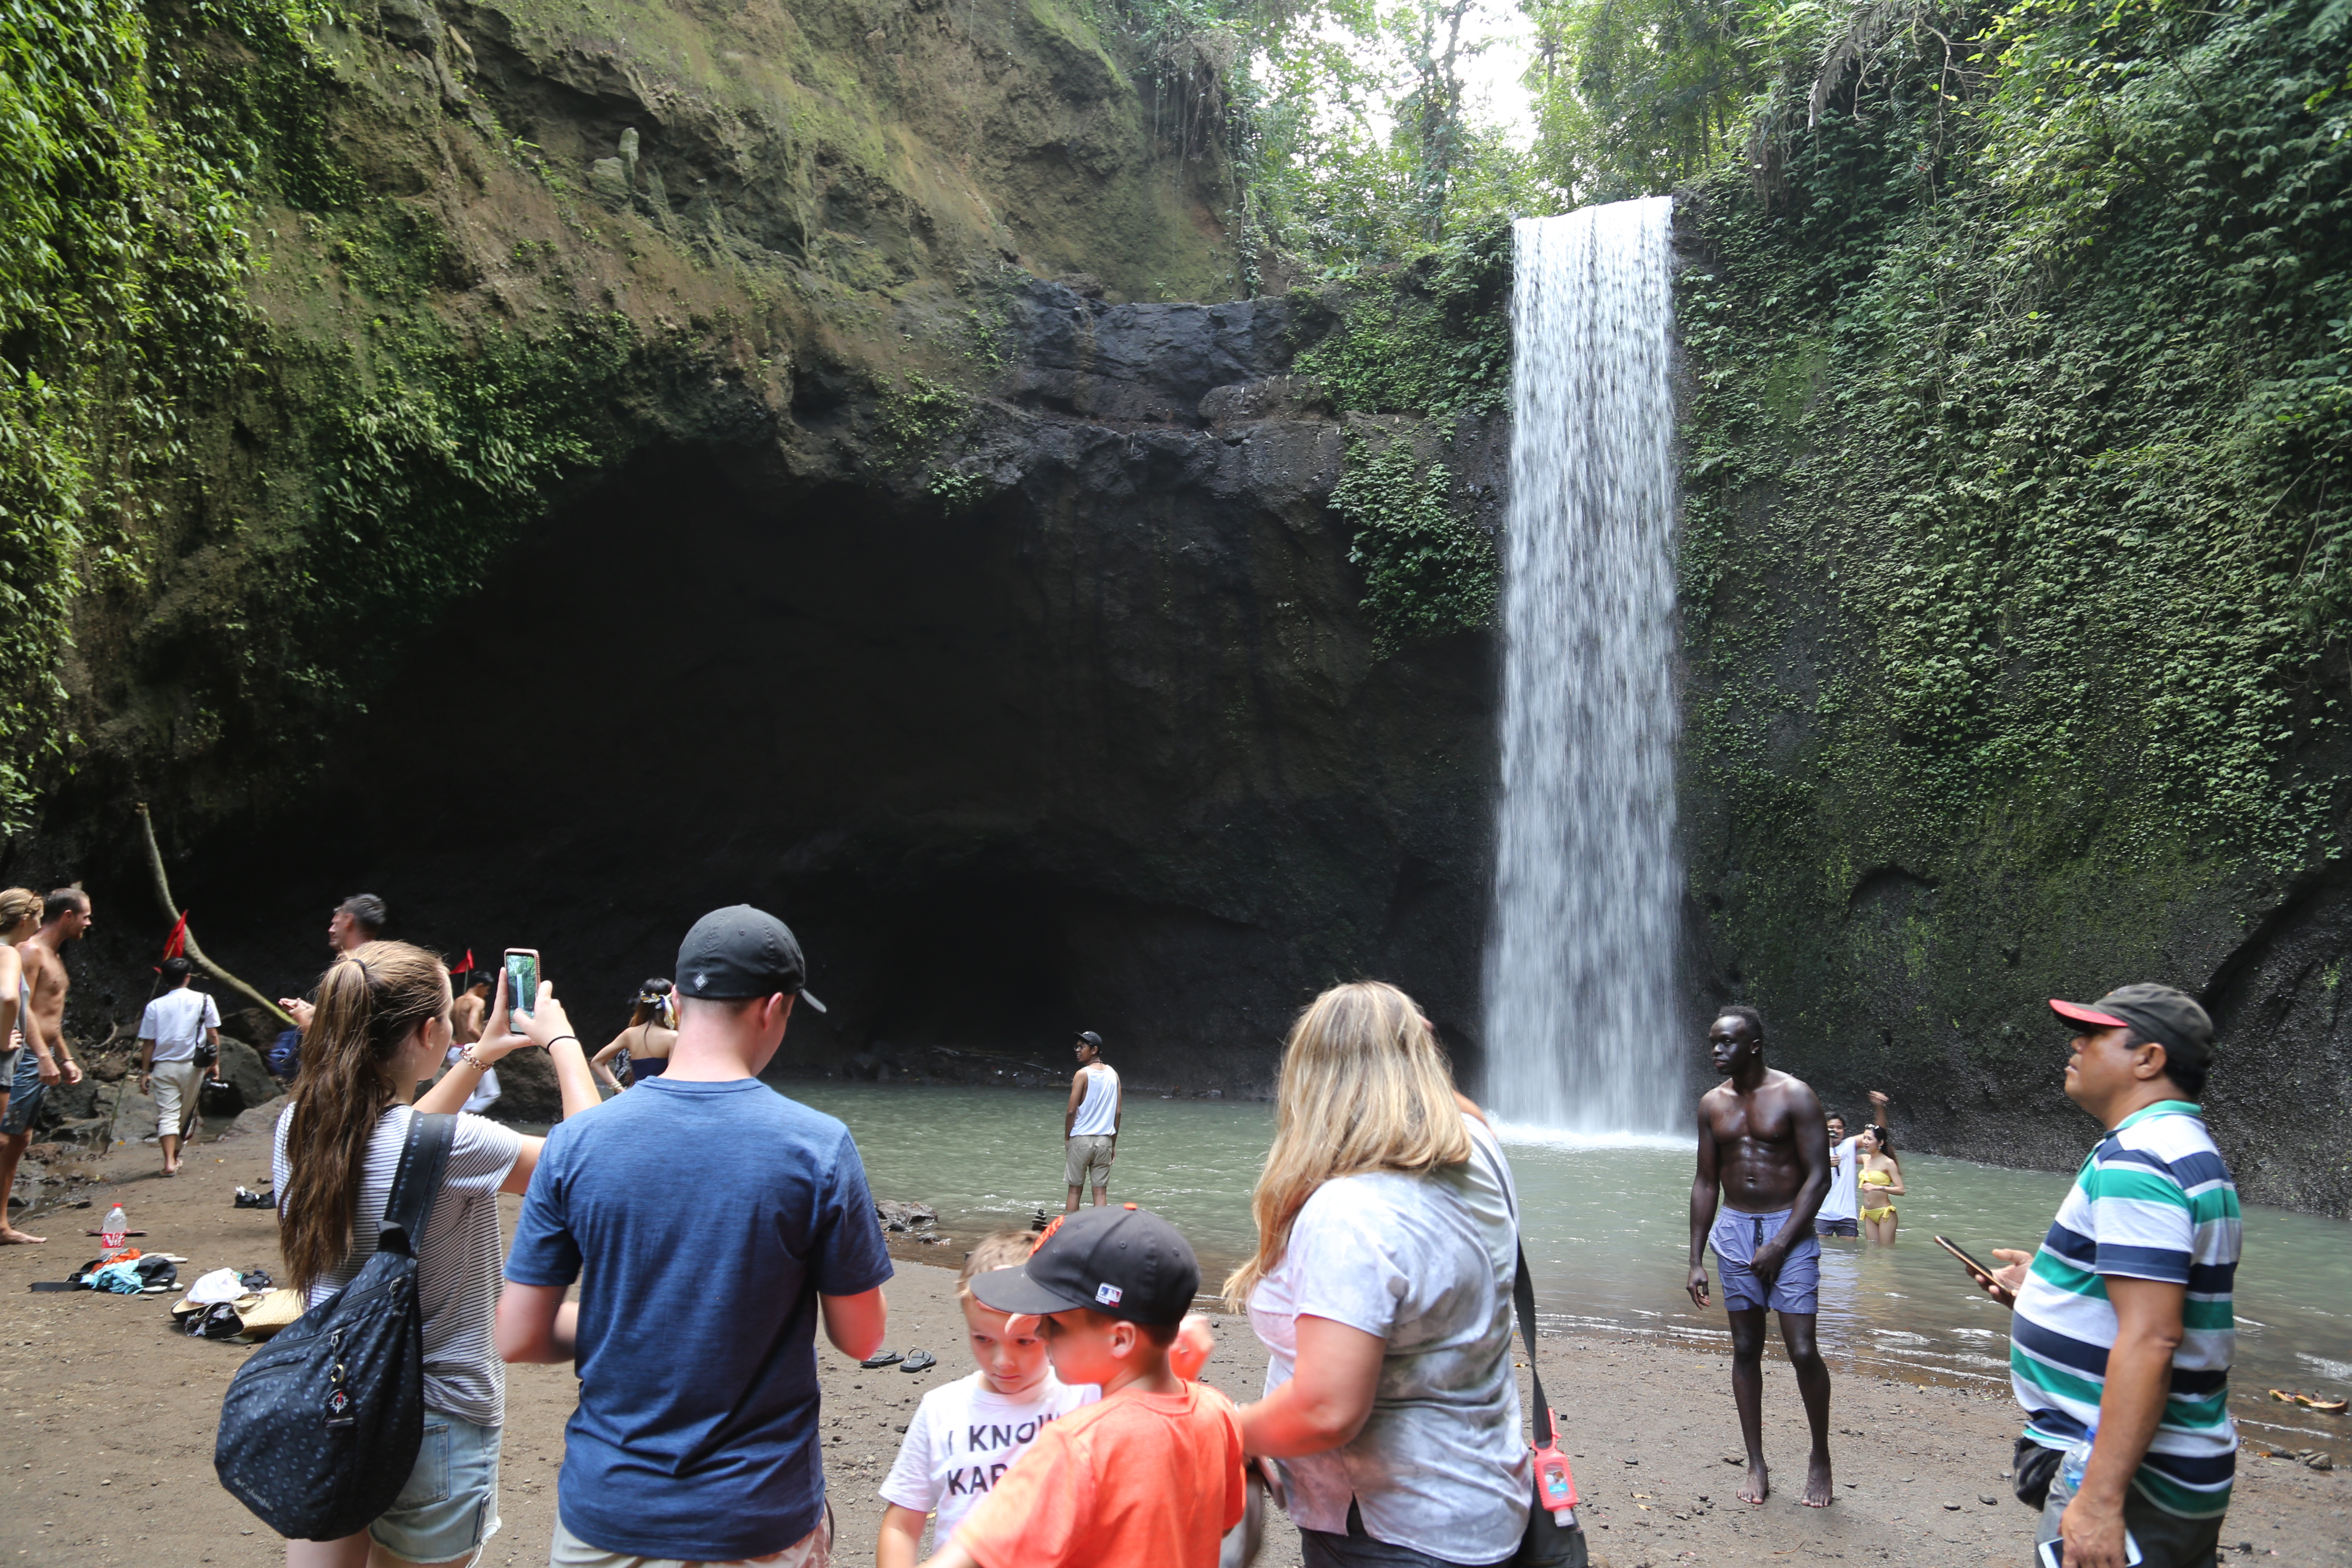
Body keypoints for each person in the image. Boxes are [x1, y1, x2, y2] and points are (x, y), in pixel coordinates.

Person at [497, 906, 891, 1568]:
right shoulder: (818, 1148)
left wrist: (635, 1320)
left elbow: (519, 1336)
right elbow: (863, 1338)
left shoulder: (574, 1145)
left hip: (608, 1514)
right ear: (775, 1009)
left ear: (677, 1002)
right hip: (757, 1518)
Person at [273, 941, 599, 1568]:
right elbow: (596, 1162)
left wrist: (479, 1057)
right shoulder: (458, 1146)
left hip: (332, 1401)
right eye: (449, 1019)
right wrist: (563, 1044)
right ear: (428, 1033)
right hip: (439, 1417)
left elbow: (403, 1147)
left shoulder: (301, 1127)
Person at [1226, 981, 1529, 1568]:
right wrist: (1406, 1040)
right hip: (1485, 1497)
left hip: (1393, 1533)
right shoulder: (1479, 1147)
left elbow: (1327, 1410)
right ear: (1422, 1058)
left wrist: (1227, 1431)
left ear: (1309, 1076)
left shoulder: (1352, 1212)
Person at [1977, 985, 2239, 1568]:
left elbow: (2153, 1337)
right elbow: (2169, 1305)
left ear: (2149, 1060)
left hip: (2135, 1472)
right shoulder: (2184, 1149)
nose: (2076, 1044)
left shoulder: (2139, 1162)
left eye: (2096, 1035)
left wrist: (2098, 1498)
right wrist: (2049, 1287)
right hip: (2176, 1464)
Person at [926, 1205, 1248, 1568]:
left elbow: (969, 1560)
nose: (1039, 1331)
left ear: (1121, 1340)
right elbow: (1223, 1524)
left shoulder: (1076, 1444)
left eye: (1055, 1322)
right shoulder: (1219, 1413)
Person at [877, 1229, 1099, 1567]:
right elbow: (903, 1525)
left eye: (1024, 1341)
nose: (1002, 1361)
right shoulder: (941, 1408)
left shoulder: (1086, 1394)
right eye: (983, 1339)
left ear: (1055, 1326)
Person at [1686, 1004, 1834, 1508]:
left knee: (1802, 1350)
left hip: (1786, 1231)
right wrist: (1695, 1258)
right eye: (1713, 1042)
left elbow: (1820, 1177)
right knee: (1746, 1349)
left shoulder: (1795, 1095)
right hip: (1733, 1229)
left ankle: (1820, 1455)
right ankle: (1757, 1462)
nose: (1716, 1051)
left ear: (1754, 1045)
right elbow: (1707, 1182)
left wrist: (1780, 1243)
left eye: (1726, 1042)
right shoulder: (1711, 1104)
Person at [138, 956, 222, 1175]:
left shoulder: (154, 1006)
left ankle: (169, 1162)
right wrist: (215, 1064)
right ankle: (174, 1158)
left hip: (163, 1067)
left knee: (168, 1115)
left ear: (164, 978)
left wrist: (145, 1072)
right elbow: (213, 1034)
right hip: (193, 1067)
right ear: (188, 977)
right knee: (186, 1115)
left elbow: (148, 1042)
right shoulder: (205, 1000)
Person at [0, 887, 47, 1243]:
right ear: (25, 918)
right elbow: (9, 997)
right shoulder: (9, 953)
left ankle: (1, 1226)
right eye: (39, 916)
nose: (41, 923)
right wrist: (3, 1038)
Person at [1063, 1029, 1120, 1211]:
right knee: (1101, 1193)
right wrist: (1113, 1144)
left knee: (1074, 1191)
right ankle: (1101, 1233)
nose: (1078, 1050)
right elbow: (1118, 1113)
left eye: (1082, 1047)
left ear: (1094, 1050)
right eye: (1077, 1047)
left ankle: (1072, 1232)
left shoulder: (1082, 1074)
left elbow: (1072, 1111)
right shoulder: (1114, 1075)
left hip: (1081, 1139)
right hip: (1105, 1140)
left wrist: (1067, 1138)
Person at [588, 977, 676, 1093]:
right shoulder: (673, 1037)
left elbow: (597, 1062)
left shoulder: (630, 1034)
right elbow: (675, 1078)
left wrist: (620, 1090)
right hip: (662, 1101)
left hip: (635, 1099)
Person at [444, 975, 502, 1115]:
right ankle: (463, 1119)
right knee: (491, 1093)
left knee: (465, 1094)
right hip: (472, 1052)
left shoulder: (457, 1001)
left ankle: (459, 1117)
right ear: (480, 986)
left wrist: (451, 1041)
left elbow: (447, 1025)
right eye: (487, 990)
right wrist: (487, 1043)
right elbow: (471, 1028)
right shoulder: (477, 1002)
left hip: (455, 1051)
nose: (487, 994)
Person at [1856, 1123, 1904, 1243]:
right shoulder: (1865, 1158)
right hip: (1868, 1213)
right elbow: (1845, 1155)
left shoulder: (1888, 1163)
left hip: (1885, 1212)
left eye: (1870, 1139)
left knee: (1885, 1252)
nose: (1866, 1142)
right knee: (1872, 1251)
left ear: (1881, 1143)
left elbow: (1901, 1190)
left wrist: (1878, 1187)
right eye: (1864, 1138)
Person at [1816, 1112, 1859, 1238]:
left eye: (1839, 1128)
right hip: (1821, 1213)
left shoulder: (1850, 1145)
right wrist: (1826, 1164)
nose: (1835, 1130)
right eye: (1831, 1127)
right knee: (1821, 1253)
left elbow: (1875, 1135)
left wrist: (1879, 1108)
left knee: (1849, 1254)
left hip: (1847, 1214)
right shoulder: (1815, 1148)